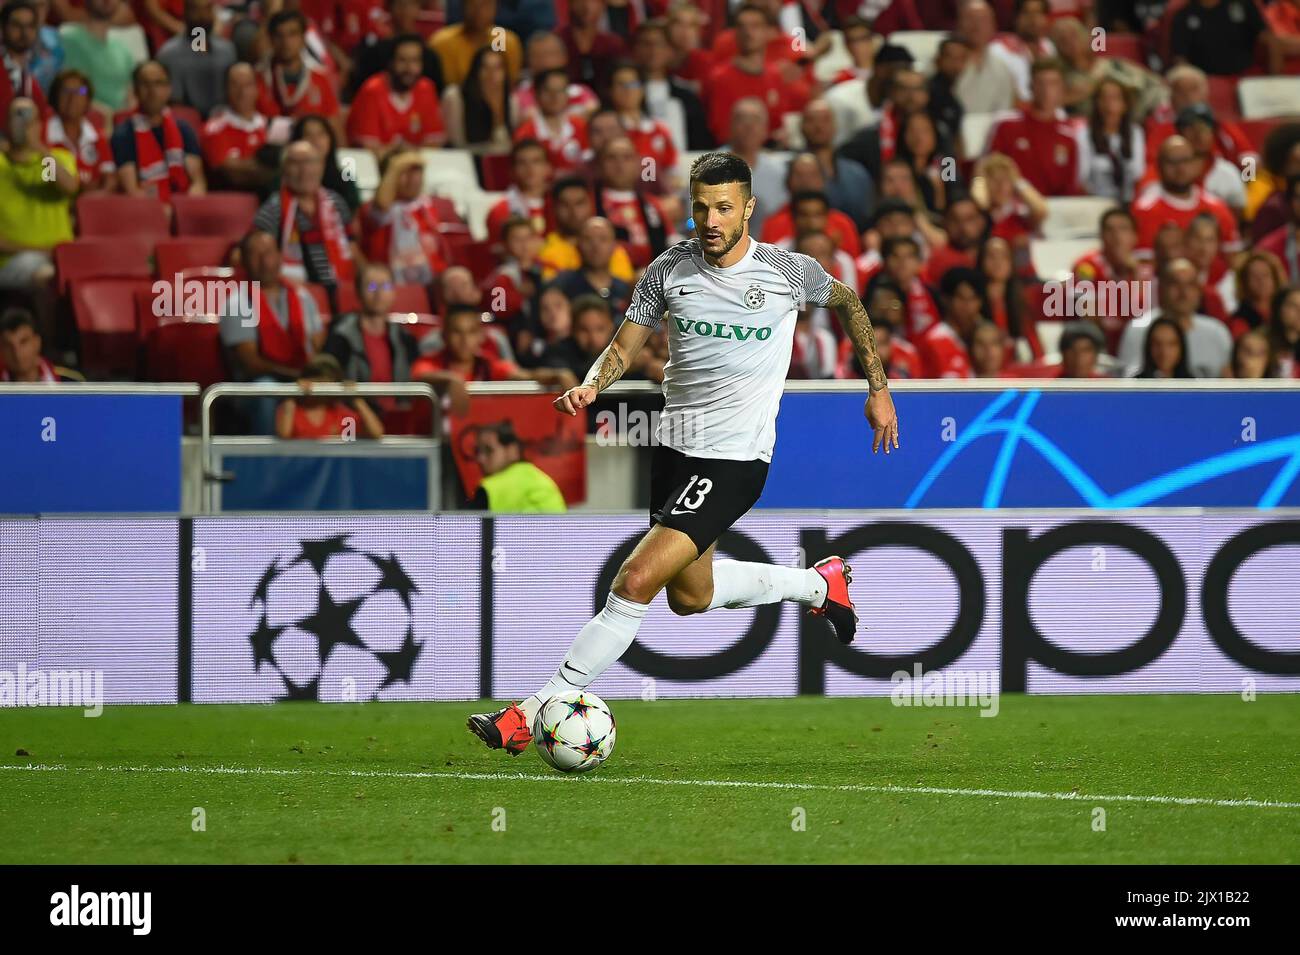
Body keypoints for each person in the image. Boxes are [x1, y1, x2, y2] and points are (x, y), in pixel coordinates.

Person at [466, 151, 900, 754]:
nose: (711, 220)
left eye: (724, 207)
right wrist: (594, 384)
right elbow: (623, 346)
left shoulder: (787, 272)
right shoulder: (668, 270)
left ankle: (531, 711)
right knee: (689, 597)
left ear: (748, 207)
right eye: (701, 207)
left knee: (635, 579)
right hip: (673, 453)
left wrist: (877, 389)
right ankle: (818, 586)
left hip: (735, 460)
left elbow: (851, 302)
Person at [253, 139, 358, 307]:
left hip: (339, 288)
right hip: (295, 294)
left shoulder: (336, 202)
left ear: (321, 166)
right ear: (284, 169)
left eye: (310, 162)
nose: (304, 170)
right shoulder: (273, 208)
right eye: (296, 163)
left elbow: (351, 247)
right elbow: (259, 254)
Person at [0, 96, 77, 297]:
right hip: (14, 260)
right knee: (47, 275)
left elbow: (66, 186)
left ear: (39, 125)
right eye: (16, 117)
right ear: (6, 124)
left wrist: (40, 149)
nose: (22, 124)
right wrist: (43, 250)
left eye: (28, 118)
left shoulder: (51, 162)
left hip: (62, 256)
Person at [1118, 258, 1231, 377]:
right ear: (1161, 289)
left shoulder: (1217, 332)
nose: (1183, 292)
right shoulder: (1138, 329)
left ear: (1199, 291)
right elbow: (1127, 384)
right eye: (1175, 284)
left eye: (1190, 285)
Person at [111, 60, 206, 202]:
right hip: (146, 212)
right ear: (136, 90)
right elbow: (132, 191)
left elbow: (198, 183)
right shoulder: (123, 134)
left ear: (169, 89)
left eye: (159, 83)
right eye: (145, 84)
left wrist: (183, 211)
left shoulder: (184, 130)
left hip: (183, 208)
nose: (153, 91)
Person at [1131, 135, 1240, 259]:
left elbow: (1232, 259)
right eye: (1172, 162)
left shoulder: (1217, 208)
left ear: (1195, 164)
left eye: (1186, 160)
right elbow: (1143, 266)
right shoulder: (1145, 211)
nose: (1181, 168)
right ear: (1159, 166)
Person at [986, 59, 1082, 197]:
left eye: (1053, 84)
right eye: (1040, 83)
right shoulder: (1007, 126)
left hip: (1054, 209)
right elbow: (988, 172)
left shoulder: (1069, 137)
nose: (1046, 90)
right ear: (1030, 86)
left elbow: (1069, 188)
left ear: (1062, 89)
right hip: (1012, 207)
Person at [360, 145, 450, 288]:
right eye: (404, 172)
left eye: (417, 171)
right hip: (390, 286)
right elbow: (381, 207)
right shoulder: (374, 209)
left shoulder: (426, 205)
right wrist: (395, 167)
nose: (413, 179)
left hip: (432, 283)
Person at [347, 32, 444, 151]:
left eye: (415, 61)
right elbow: (369, 149)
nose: (409, 68)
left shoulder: (426, 89)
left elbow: (434, 143)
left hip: (415, 164)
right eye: (402, 60)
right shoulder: (372, 90)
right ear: (391, 62)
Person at [255, 9, 341, 133]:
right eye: (279, 35)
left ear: (303, 37)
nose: (286, 42)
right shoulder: (256, 78)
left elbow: (335, 129)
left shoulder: (320, 78)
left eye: (292, 34)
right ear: (271, 39)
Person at [538, 174, 634, 281]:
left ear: (590, 204)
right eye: (565, 205)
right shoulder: (544, 250)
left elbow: (623, 288)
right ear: (555, 208)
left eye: (579, 203)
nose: (573, 212)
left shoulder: (612, 249)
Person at [155, 0, 236, 118]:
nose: (202, 16)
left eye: (207, 9)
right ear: (186, 13)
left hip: (225, 123)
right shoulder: (169, 55)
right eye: (196, 10)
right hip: (187, 124)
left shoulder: (227, 50)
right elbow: (175, 105)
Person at [275, 353, 385, 439]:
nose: (320, 393)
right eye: (316, 383)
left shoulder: (343, 415)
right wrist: (294, 394)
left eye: (325, 386)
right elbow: (284, 434)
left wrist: (356, 399)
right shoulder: (291, 408)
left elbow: (376, 433)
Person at [466, 420, 567, 513]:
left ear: (512, 450)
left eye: (489, 450)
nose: (480, 458)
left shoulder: (490, 488)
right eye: (477, 451)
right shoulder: (540, 479)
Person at [201, 63, 270, 192]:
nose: (242, 92)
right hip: (234, 197)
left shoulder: (270, 124)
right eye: (235, 85)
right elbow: (231, 174)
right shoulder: (213, 129)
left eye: (248, 85)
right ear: (225, 89)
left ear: (257, 88)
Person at [57, 0, 134, 113]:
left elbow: (129, 91)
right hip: (88, 118)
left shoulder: (122, 48)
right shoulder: (70, 40)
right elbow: (77, 90)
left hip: (122, 120)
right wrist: (94, 108)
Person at [43, 68, 114, 190]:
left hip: (90, 206)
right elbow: (47, 179)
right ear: (55, 97)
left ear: (88, 100)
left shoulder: (97, 137)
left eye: (80, 91)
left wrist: (90, 200)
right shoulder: (42, 135)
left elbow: (110, 179)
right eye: (66, 91)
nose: (73, 97)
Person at [1079, 76, 1145, 203]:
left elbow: (1138, 174)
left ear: (1125, 105)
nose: (1109, 104)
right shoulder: (1084, 134)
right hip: (1095, 202)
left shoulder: (1135, 133)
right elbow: (1081, 179)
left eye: (1115, 98)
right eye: (1103, 98)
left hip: (1128, 203)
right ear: (1096, 104)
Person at [547, 217, 632, 314]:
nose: (595, 246)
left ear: (614, 246)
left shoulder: (625, 290)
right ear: (577, 246)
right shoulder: (561, 286)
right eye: (588, 239)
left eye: (603, 239)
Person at [430, 0, 522, 88]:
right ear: (463, 6)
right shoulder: (442, 43)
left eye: (485, 4)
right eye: (473, 4)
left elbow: (511, 85)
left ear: (496, 7)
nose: (479, 10)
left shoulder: (505, 40)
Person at [442, 45, 513, 154]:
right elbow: (456, 145)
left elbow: (508, 146)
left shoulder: (512, 101)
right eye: (485, 67)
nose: (491, 74)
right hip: (466, 163)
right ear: (475, 71)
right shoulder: (455, 97)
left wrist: (497, 113)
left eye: (497, 68)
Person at [1, 0, 49, 120]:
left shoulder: (31, 80)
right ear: (2, 27)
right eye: (17, 25)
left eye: (30, 26)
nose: (24, 32)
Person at [0, 306, 77, 381]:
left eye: (23, 342)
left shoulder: (71, 382)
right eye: (8, 345)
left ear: (37, 342)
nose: (16, 352)